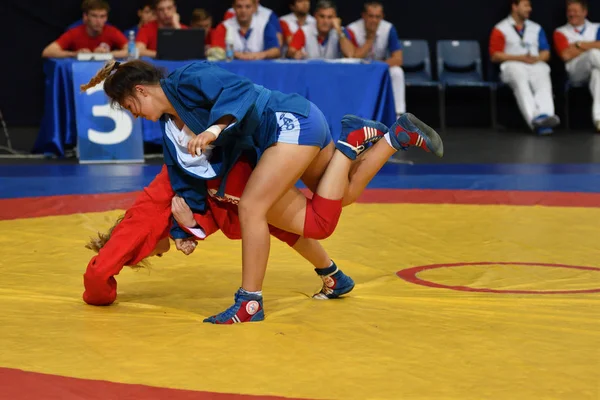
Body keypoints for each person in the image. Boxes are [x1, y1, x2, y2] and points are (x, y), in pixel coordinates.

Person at [81, 59, 443, 324]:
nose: (137, 115)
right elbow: (183, 182)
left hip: (287, 122)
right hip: (289, 130)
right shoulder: (170, 128)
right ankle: (397, 137)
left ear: (140, 90)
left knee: (255, 208)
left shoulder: (189, 77)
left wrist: (214, 129)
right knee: (341, 194)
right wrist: (184, 229)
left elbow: (238, 90)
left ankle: (249, 302)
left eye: (131, 107)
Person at [489, 0, 560, 135]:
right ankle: (534, 119)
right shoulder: (501, 28)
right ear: (515, 7)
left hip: (533, 63)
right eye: (526, 6)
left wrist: (536, 58)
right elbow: (495, 55)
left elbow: (546, 52)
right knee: (520, 80)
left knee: (543, 72)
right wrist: (520, 58)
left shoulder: (536, 28)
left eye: (530, 6)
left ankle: (546, 115)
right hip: (512, 64)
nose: (529, 9)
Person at [346, 2, 405, 118]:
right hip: (358, 70)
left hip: (379, 68)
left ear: (382, 17)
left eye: (377, 17)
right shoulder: (351, 29)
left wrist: (378, 67)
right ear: (363, 15)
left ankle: (398, 115)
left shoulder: (388, 28)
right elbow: (352, 57)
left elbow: (398, 59)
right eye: (370, 16)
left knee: (397, 72)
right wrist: (370, 39)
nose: (374, 20)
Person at [554, 0, 600, 131]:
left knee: (598, 75)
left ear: (584, 12)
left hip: (595, 69)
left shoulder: (597, 27)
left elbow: (571, 51)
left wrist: (579, 45)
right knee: (593, 53)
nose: (572, 14)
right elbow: (565, 55)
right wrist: (593, 44)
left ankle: (598, 119)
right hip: (575, 72)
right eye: (569, 11)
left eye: (575, 11)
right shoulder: (560, 31)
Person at [42, 0, 128, 59]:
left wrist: (107, 54)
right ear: (85, 17)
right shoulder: (74, 32)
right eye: (94, 16)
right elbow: (47, 51)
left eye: (102, 16)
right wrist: (75, 54)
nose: (98, 21)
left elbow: (132, 51)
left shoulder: (111, 31)